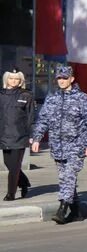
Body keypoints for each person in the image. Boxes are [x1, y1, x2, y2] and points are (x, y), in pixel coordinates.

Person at [30, 64, 87, 223]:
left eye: (64, 78)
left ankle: (62, 209)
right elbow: (43, 120)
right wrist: (37, 138)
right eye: (59, 78)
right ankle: (77, 212)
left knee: (68, 176)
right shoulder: (52, 98)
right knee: (65, 177)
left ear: (72, 79)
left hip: (76, 145)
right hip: (57, 146)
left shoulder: (83, 99)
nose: (61, 81)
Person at [1, 69, 35, 200]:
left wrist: (33, 135)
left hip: (20, 136)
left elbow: (31, 117)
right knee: (8, 164)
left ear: (21, 81)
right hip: (4, 135)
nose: (14, 81)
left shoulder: (26, 95)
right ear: (6, 79)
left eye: (17, 79)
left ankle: (11, 193)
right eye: (11, 78)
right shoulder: (1, 94)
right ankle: (24, 182)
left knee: (14, 168)